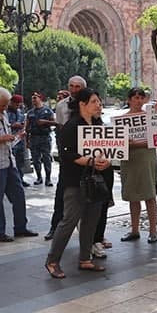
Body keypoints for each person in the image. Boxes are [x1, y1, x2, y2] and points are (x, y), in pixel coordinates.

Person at [44, 87, 112, 279]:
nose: (98, 105)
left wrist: (105, 160)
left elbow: (106, 147)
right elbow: (67, 154)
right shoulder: (72, 126)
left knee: (91, 221)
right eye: (94, 102)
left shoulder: (98, 124)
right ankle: (52, 260)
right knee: (69, 221)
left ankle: (85, 258)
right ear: (82, 104)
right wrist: (90, 161)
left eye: (99, 102)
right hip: (75, 181)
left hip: (96, 180)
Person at [0, 88, 38, 242]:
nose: (5, 108)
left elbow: (6, 140)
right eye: (3, 105)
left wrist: (16, 137)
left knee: (19, 195)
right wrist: (1, 139)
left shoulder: (2, 114)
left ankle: (20, 227)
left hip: (9, 161)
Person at [45, 76, 86, 241]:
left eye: (78, 86)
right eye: (72, 86)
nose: (74, 89)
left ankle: (93, 234)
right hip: (69, 155)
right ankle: (55, 227)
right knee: (62, 192)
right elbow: (61, 129)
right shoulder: (62, 106)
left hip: (86, 154)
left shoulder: (89, 103)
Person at [119, 87, 157, 243]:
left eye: (141, 97)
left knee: (150, 195)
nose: (138, 100)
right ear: (129, 100)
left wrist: (135, 143)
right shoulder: (121, 119)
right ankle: (134, 230)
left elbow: (155, 139)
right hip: (130, 161)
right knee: (133, 196)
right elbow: (119, 143)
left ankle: (153, 231)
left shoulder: (150, 118)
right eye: (135, 97)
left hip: (146, 160)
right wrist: (137, 143)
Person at [25, 91, 55, 187]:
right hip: (34, 138)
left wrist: (45, 122)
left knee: (46, 158)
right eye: (32, 98)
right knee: (35, 159)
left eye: (35, 98)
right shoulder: (30, 113)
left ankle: (48, 179)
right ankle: (39, 178)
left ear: (40, 98)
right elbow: (27, 127)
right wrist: (27, 141)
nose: (33, 100)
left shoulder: (47, 110)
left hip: (45, 137)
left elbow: (54, 123)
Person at [7, 95, 29, 187]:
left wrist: (23, 127)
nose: (17, 106)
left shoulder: (20, 112)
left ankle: (20, 178)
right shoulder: (5, 113)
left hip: (20, 140)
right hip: (10, 140)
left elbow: (23, 123)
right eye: (16, 104)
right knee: (12, 162)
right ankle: (11, 181)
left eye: (19, 104)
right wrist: (13, 125)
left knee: (20, 161)